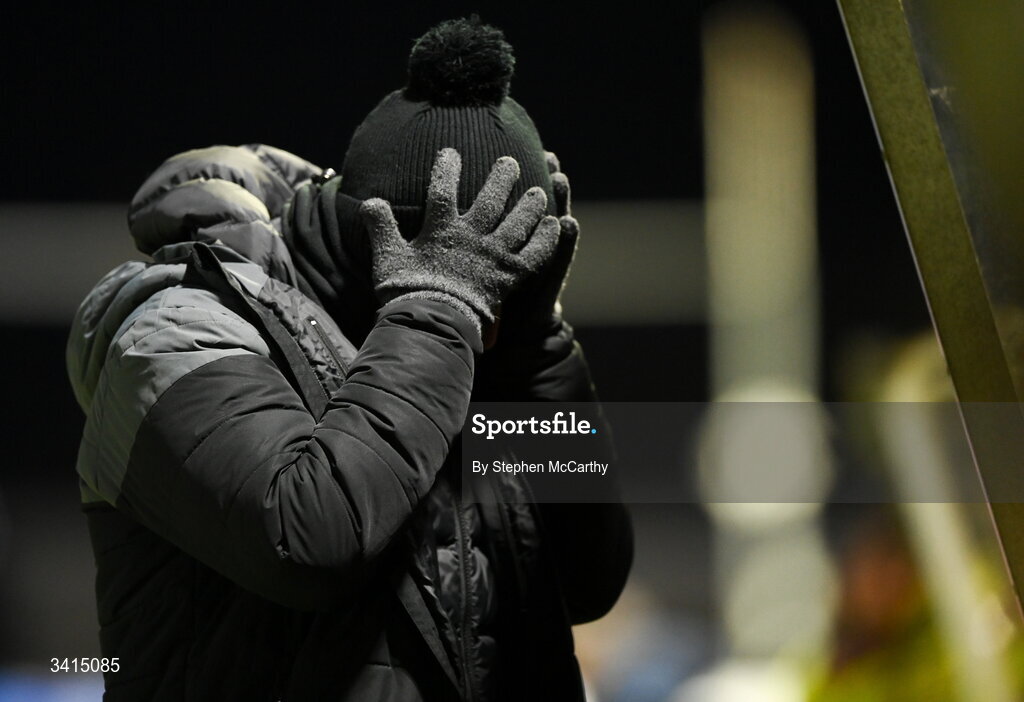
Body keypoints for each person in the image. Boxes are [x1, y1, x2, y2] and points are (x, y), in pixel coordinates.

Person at [67, 17, 632, 702]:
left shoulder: (464, 341)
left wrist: (535, 348)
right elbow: (308, 539)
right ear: (390, 246)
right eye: (483, 280)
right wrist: (437, 310)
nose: (493, 306)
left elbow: (587, 580)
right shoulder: (174, 330)